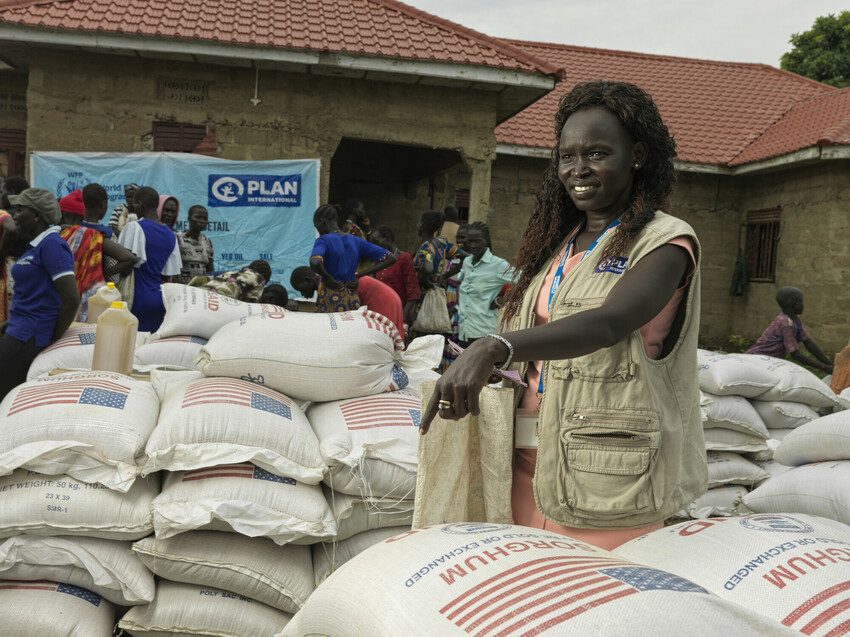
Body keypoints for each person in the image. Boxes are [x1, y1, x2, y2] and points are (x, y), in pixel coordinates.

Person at [421, 81, 705, 551]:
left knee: (590, 609)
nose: (578, 170)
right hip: (525, 464)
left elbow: (608, 322)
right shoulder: (560, 246)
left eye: (596, 153)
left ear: (636, 154)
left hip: (606, 474)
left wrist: (495, 347)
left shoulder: (665, 241)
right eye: (567, 157)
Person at [0, 188, 79, 400]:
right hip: (18, 331)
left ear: (36, 215)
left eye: (20, 210)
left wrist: (51, 337)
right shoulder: (37, 245)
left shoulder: (52, 245)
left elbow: (71, 299)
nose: (15, 215)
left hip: (28, 337)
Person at [59, 190, 137, 320]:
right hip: (93, 295)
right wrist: (104, 273)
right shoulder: (98, 235)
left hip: (64, 295)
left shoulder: (58, 235)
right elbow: (130, 258)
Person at [118, 186, 182, 332]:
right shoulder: (171, 235)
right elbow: (168, 274)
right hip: (159, 301)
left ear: (139, 204)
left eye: (134, 204)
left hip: (134, 298)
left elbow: (125, 264)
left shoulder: (134, 227)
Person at [309, 204, 395, 312]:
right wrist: (359, 275)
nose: (317, 228)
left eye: (316, 225)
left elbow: (315, 262)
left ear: (322, 221)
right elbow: (390, 258)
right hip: (352, 300)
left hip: (330, 300)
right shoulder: (356, 240)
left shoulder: (324, 240)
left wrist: (328, 279)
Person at [291, 265, 405, 338]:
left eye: (300, 289)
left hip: (381, 298)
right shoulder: (326, 281)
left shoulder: (328, 286)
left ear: (307, 280)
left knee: (385, 340)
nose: (303, 295)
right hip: (387, 296)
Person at [455, 221, 517, 347]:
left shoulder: (498, 264)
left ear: (486, 241)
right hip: (464, 331)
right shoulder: (467, 262)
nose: (472, 245)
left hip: (484, 334)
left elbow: (525, 282)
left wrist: (502, 300)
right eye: (470, 241)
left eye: (477, 241)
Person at [746, 286, 833, 373]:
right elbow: (796, 355)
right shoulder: (786, 324)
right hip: (757, 360)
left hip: (769, 361)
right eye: (801, 301)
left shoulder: (795, 320)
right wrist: (824, 367)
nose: (803, 305)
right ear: (795, 303)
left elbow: (809, 344)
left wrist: (831, 365)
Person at [370, 224, 420, 327]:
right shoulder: (378, 260)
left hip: (396, 315)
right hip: (379, 315)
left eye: (376, 242)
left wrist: (401, 318)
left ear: (387, 239)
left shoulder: (404, 258)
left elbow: (413, 293)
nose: (373, 246)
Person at [188, 259, 271, 302]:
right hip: (214, 304)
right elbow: (252, 305)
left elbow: (198, 279)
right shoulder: (259, 280)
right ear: (264, 277)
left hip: (195, 295)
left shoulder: (229, 273)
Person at [176, 205, 214, 283]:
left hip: (202, 287)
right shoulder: (178, 239)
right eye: (198, 217)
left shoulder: (207, 242)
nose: (202, 221)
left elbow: (210, 270)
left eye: (205, 218)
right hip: (182, 287)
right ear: (189, 218)